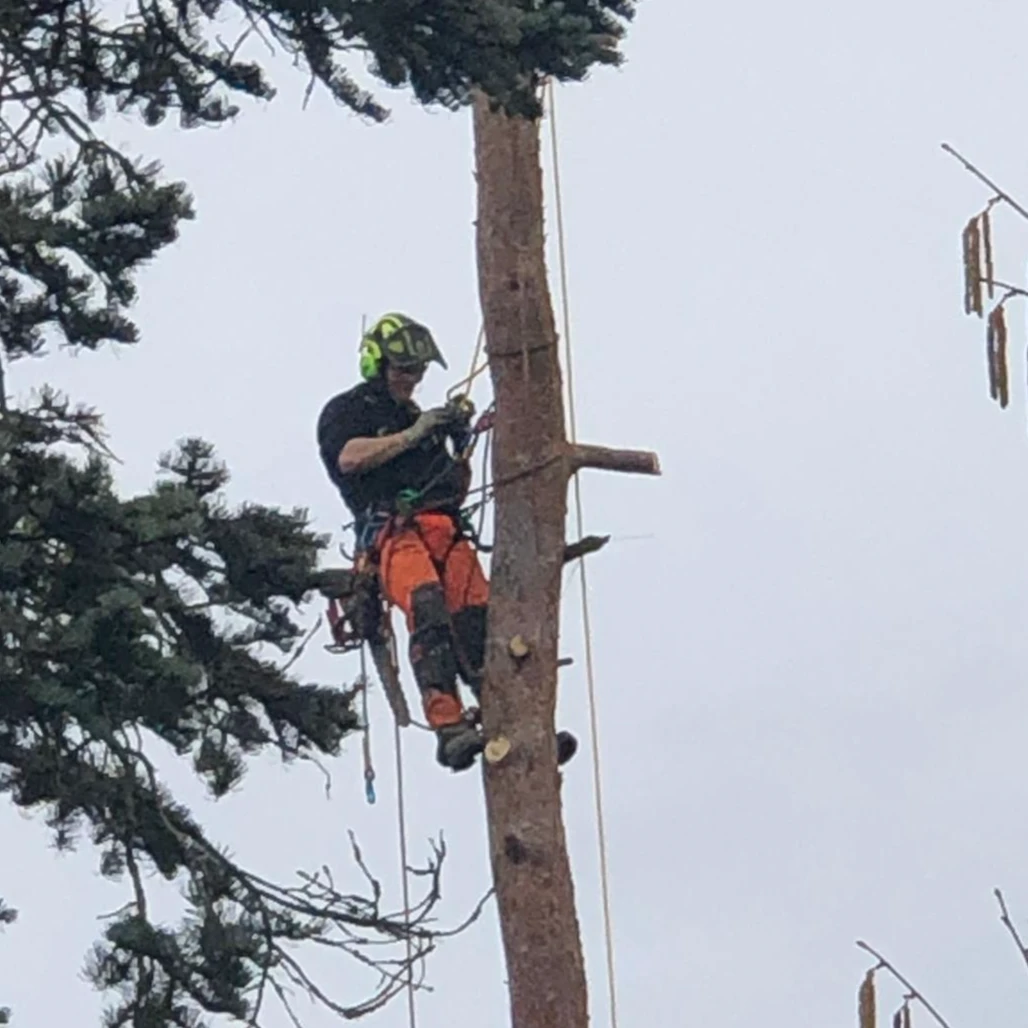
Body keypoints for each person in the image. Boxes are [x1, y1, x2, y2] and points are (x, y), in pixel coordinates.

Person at [316, 313, 576, 773]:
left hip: (445, 530)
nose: (412, 379)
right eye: (404, 369)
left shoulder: (418, 419)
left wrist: (457, 442)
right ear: (378, 364)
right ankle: (449, 727)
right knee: (428, 608)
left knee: (480, 623)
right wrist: (415, 433)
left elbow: (453, 485)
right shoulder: (348, 411)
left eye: (418, 370)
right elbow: (350, 459)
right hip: (393, 531)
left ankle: (520, 725)